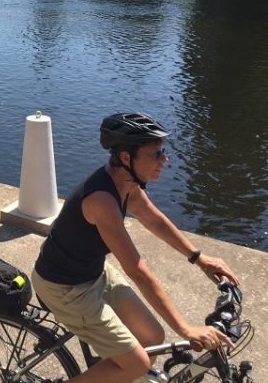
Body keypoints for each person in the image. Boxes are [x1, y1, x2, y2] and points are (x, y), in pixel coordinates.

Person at [31, 112, 239, 383]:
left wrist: (199, 258)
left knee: (152, 337)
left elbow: (154, 219)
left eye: (162, 152)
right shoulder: (101, 200)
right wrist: (186, 329)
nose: (164, 159)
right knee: (137, 364)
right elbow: (137, 270)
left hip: (92, 273)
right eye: (155, 154)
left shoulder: (126, 185)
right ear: (127, 158)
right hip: (65, 288)